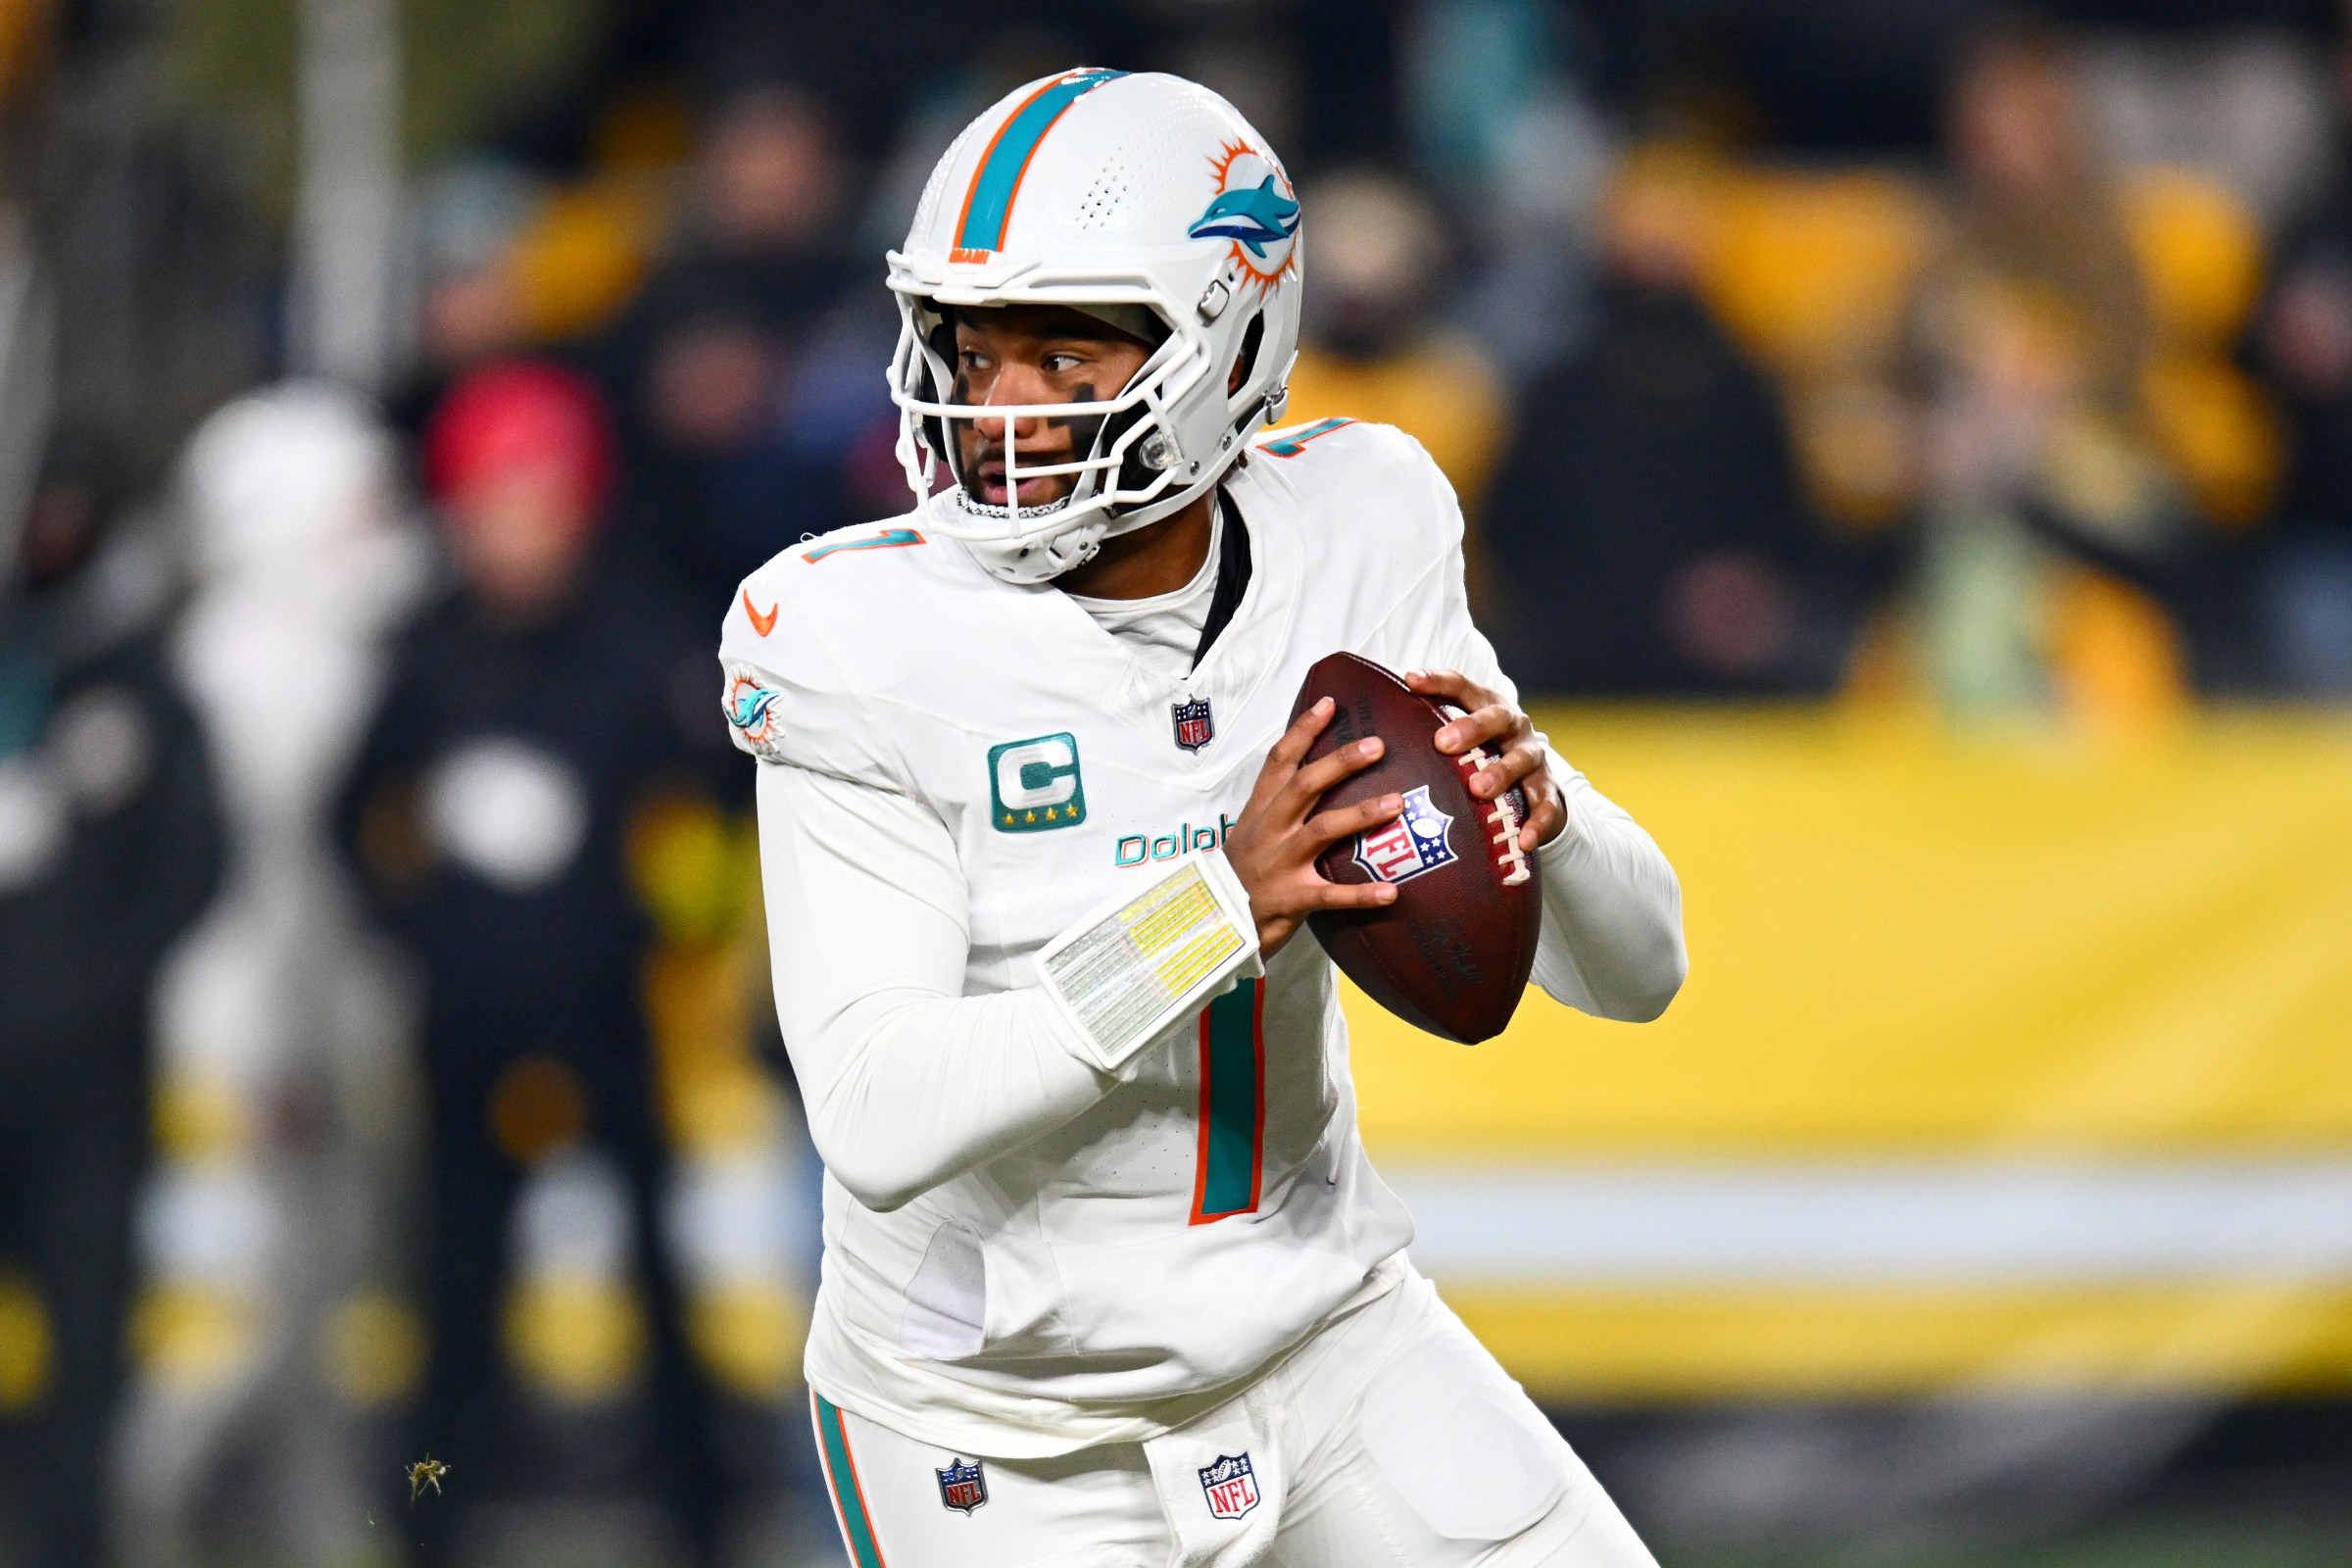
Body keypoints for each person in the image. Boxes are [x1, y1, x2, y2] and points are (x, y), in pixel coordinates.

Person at [718, 69, 1684, 1567]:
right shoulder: (853, 637)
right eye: (971, 352)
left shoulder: (1360, 525)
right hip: (1012, 1431)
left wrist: (1542, 819)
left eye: (1062, 352)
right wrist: (1215, 909)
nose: (1000, 408)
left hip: (1323, 1336)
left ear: (1229, 340)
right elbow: (876, 1109)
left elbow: (1638, 972)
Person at [339, 360, 734, 1565]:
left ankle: (701, 1515)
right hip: (462, 1024)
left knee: (659, 1284)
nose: (511, 531)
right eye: (488, 502)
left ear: (582, 503)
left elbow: (711, 814)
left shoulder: (638, 651)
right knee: (453, 1296)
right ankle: (431, 1507)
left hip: (608, 1015)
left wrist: (668, 933)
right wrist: (416, 936)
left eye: (534, 499)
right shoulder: (426, 656)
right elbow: (349, 814)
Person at [0, 433, 223, 1568]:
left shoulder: (137, 676)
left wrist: (89, 979)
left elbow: (199, 857)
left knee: (88, 1329)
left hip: (89, 1075)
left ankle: (71, 1537)